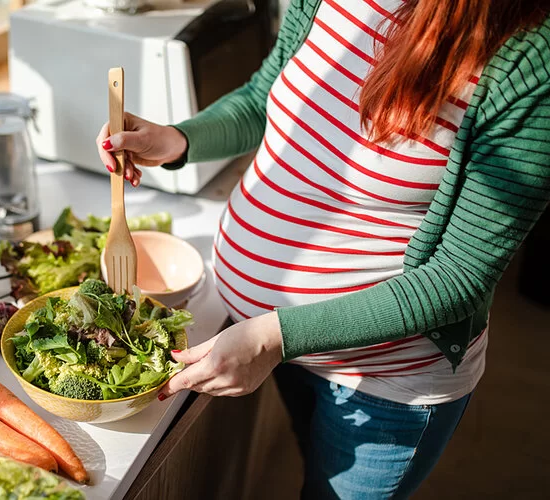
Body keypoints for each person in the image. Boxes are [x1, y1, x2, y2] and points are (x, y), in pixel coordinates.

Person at [96, 0, 550, 497]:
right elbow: (264, 98)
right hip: (278, 341)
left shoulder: (530, 59)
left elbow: (457, 279)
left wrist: (276, 336)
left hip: (384, 381)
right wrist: (179, 139)